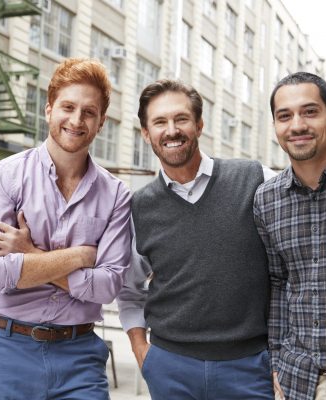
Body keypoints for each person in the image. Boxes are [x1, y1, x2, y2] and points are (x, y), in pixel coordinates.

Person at [0, 57, 131, 400]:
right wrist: (80, 256)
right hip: (5, 352)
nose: (76, 120)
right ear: (48, 110)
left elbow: (107, 287)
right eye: (68, 107)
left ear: (102, 122)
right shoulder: (5, 175)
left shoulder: (116, 194)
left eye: (89, 112)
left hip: (80, 356)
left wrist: (29, 256)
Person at [117, 79, 276, 399]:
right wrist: (141, 351)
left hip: (250, 366)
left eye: (181, 119)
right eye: (159, 122)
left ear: (200, 125)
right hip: (170, 368)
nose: (171, 130)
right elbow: (128, 289)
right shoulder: (140, 205)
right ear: (146, 133)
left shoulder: (256, 178)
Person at [254, 72, 326, 400]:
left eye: (310, 111)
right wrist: (275, 363)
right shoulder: (266, 200)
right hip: (299, 379)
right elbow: (278, 281)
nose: (297, 125)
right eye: (285, 116)